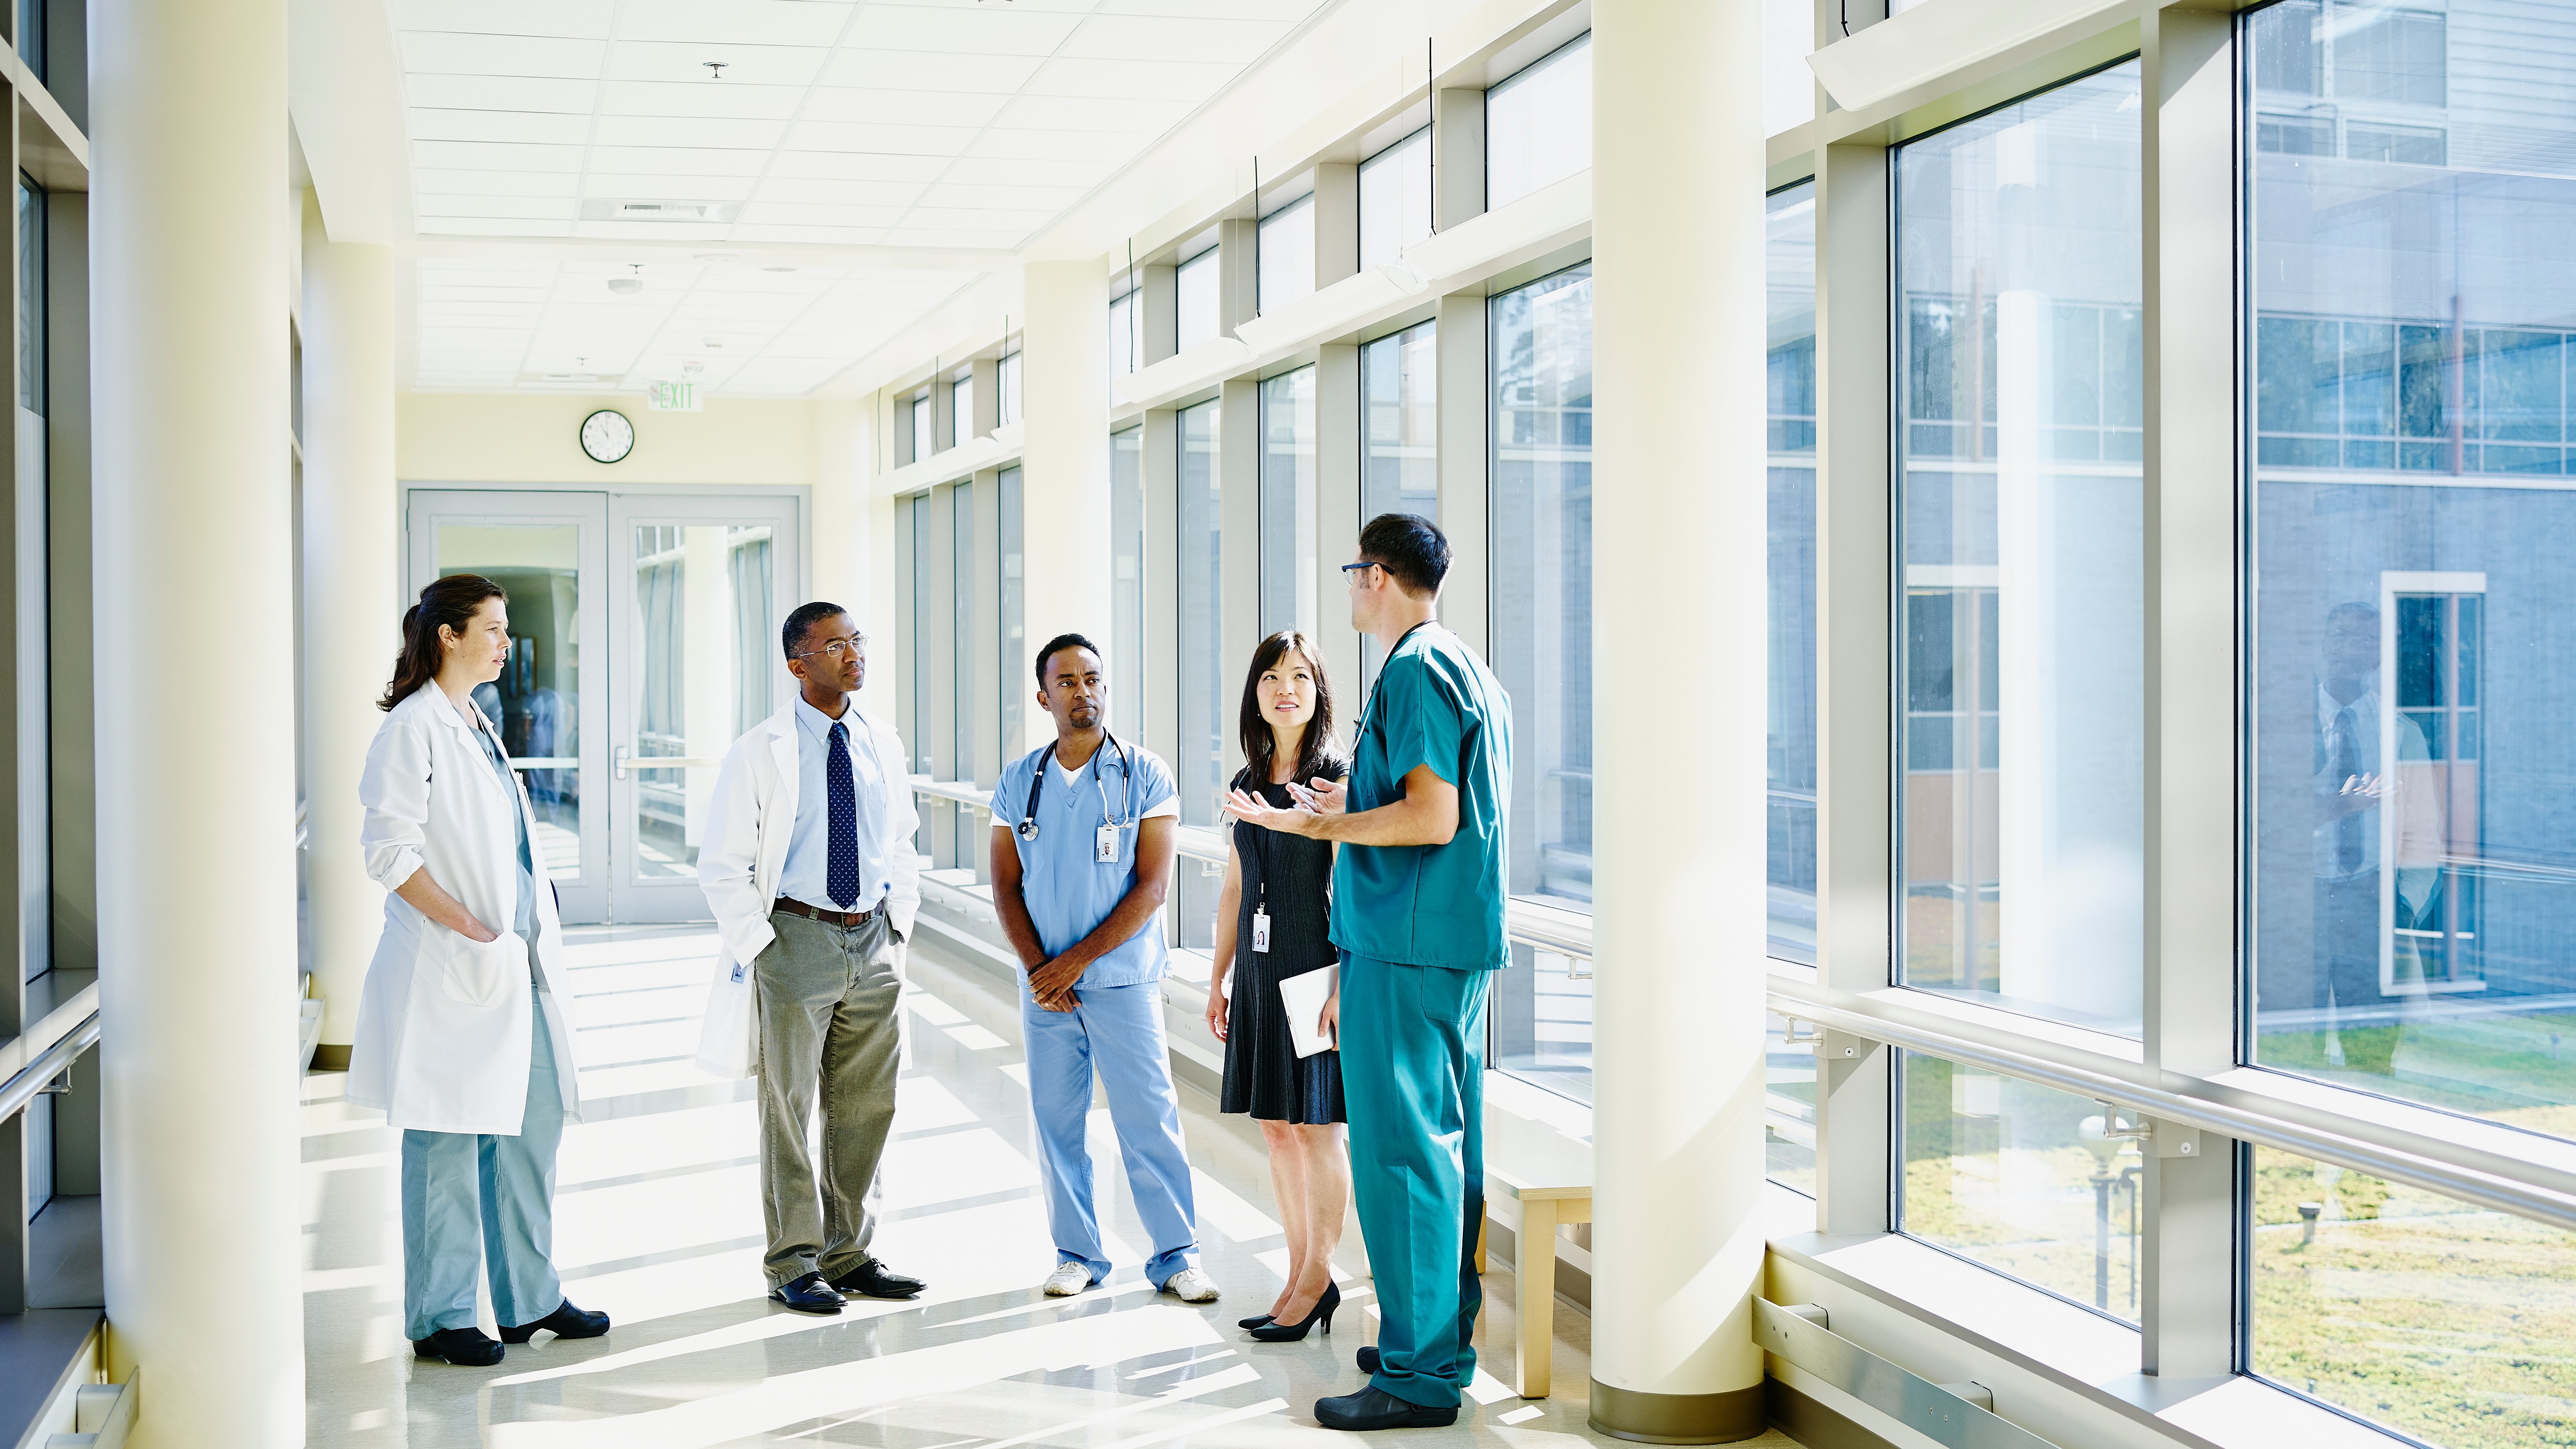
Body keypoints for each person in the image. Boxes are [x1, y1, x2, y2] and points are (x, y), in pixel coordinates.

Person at [1223, 514, 1511, 1431]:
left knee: (1403, 1159)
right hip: (1445, 944)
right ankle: (1436, 1346)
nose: (1350, 585)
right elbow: (1439, 799)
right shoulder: (1463, 665)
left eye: (1354, 570)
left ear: (1376, 575)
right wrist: (1356, 799)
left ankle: (1416, 1374)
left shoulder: (1416, 668)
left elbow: (1431, 817)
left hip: (1404, 946)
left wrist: (1314, 822)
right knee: (1445, 1152)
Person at [352, 575, 609, 1367]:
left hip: (516, 963)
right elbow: (389, 853)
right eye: (493, 628)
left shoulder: (476, 719)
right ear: (448, 635)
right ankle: (442, 1314)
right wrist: (468, 924)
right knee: (448, 1140)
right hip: (452, 966)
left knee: (533, 1125)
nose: (505, 641)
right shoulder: (412, 728)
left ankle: (530, 1295)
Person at [696, 602, 929, 1315]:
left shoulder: (881, 741)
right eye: (834, 645)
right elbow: (721, 863)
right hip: (797, 935)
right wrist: (763, 946)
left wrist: (897, 924)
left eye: (857, 640)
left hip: (873, 938)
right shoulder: (758, 750)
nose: (853, 654)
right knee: (790, 1106)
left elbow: (901, 839)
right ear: (798, 664)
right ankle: (793, 1260)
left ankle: (848, 1252)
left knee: (867, 1103)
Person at [990, 634, 1221, 1304]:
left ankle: (1177, 1255)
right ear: (1044, 697)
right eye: (1066, 681)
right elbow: (1005, 886)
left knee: (1149, 1116)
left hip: (1121, 979)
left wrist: (1073, 964)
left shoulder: (1144, 774)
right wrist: (1041, 969)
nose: (1082, 691)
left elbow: (1152, 888)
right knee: (1056, 1122)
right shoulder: (1019, 781)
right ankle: (1078, 1254)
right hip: (1047, 989)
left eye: (1092, 678)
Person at [1207, 630, 1350, 1343]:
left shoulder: (1335, 778)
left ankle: (1319, 1276)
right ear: (1255, 693)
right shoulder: (1248, 779)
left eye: (1299, 676)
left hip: (1316, 967)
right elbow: (1236, 884)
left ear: (1319, 691)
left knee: (1318, 1128)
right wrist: (1219, 976)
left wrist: (1346, 979)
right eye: (1270, 676)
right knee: (1276, 1126)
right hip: (1262, 971)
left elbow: (1358, 886)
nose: (1284, 688)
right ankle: (1297, 1273)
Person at [2304, 600, 2444, 1073]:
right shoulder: (2281, 729)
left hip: (2370, 899)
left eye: (2366, 640)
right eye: (2340, 635)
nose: (2351, 648)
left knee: (2371, 1054)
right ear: (2323, 645)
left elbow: (2423, 832)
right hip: (2297, 901)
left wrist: (2404, 906)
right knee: (2287, 1047)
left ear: (2380, 655)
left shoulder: (2400, 733)